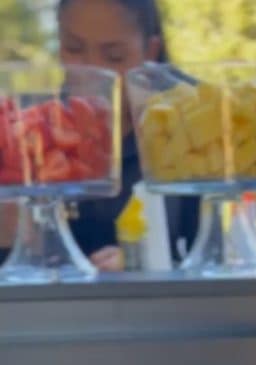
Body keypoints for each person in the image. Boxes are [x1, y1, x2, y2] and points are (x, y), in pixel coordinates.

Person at [0, 0, 200, 270]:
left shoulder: (193, 132)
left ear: (149, 52)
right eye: (74, 48)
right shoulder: (26, 135)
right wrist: (9, 242)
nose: (90, 69)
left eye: (113, 56)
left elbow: (221, 265)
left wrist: (146, 261)